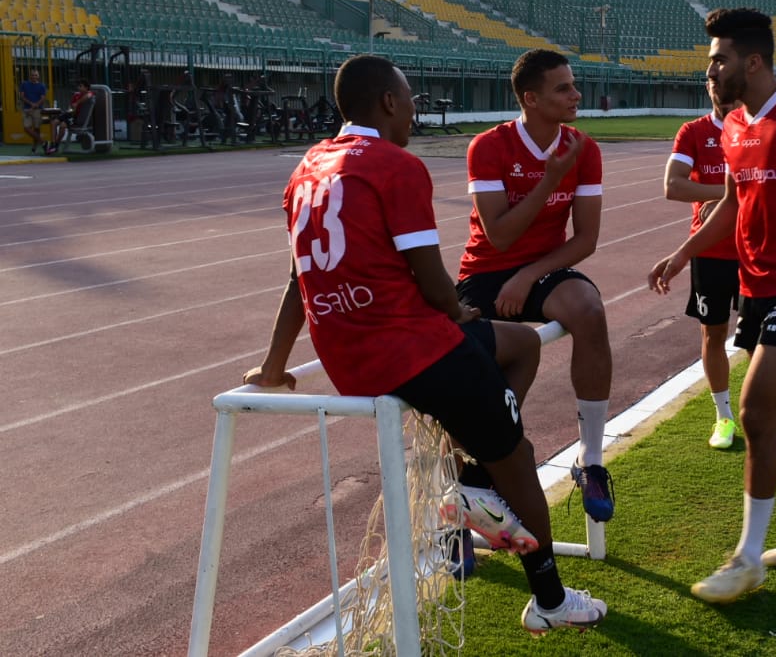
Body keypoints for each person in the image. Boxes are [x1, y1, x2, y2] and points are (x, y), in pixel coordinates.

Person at [244, 54, 606, 635]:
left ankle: (471, 483)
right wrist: (454, 310)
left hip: (349, 357)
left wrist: (273, 365)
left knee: (521, 345)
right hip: (412, 349)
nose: (416, 110)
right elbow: (431, 276)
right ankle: (549, 599)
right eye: (411, 99)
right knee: (517, 456)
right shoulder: (394, 164)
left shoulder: (308, 167)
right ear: (388, 102)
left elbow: (298, 281)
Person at [649, 8, 776, 604]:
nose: (710, 70)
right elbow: (732, 206)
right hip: (756, 286)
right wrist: (683, 253)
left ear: (753, 61)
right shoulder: (734, 126)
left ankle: (746, 558)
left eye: (718, 59)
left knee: (755, 411)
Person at [456, 49, 617, 523]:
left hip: (541, 269)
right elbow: (499, 234)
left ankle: (591, 462)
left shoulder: (584, 148)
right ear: (531, 98)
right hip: (485, 272)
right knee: (468, 376)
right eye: (563, 88)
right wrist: (550, 179)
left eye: (573, 84)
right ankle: (461, 498)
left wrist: (529, 276)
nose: (576, 95)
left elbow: (586, 238)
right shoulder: (488, 146)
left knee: (589, 308)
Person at [664, 79, 741, 449]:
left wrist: (728, 200)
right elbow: (674, 186)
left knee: (763, 339)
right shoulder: (693, 132)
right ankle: (724, 416)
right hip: (709, 250)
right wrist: (726, 195)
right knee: (713, 333)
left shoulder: (759, 130)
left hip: (755, 249)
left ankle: (765, 412)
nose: (719, 88)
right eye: (712, 81)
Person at [47, 78, 95, 154]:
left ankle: (56, 145)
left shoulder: (90, 94)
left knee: (62, 126)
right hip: (69, 114)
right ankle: (53, 144)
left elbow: (88, 96)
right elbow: (70, 106)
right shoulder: (76, 95)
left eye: (81, 86)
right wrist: (70, 109)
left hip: (76, 118)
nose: (78, 88)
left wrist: (77, 103)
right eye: (78, 86)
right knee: (54, 122)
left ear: (86, 88)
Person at [19, 68, 48, 152]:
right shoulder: (24, 84)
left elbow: (43, 98)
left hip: (37, 110)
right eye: (32, 75)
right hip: (26, 109)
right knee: (26, 128)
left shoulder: (42, 86)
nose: (34, 77)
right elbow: (22, 96)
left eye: (35, 75)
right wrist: (31, 104)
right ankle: (43, 142)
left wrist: (33, 106)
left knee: (37, 128)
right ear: (30, 76)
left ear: (38, 76)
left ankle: (35, 146)